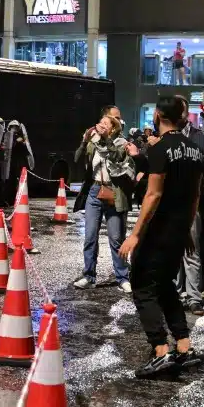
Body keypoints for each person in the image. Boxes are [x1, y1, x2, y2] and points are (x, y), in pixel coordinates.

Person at [120, 95, 204, 378]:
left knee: (142, 285)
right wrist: (188, 230)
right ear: (182, 117)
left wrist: (135, 235)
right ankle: (183, 345)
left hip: (159, 229)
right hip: (180, 229)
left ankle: (160, 350)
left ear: (157, 115)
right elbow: (195, 195)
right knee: (166, 284)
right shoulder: (195, 150)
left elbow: (153, 195)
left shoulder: (160, 149)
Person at [71, 107, 137, 293]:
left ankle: (122, 277)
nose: (100, 126)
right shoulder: (93, 142)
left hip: (113, 192)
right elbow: (76, 158)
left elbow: (115, 156)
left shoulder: (121, 143)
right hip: (94, 191)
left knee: (116, 239)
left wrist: (106, 139)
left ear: (113, 128)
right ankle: (88, 276)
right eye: (100, 123)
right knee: (90, 236)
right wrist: (85, 141)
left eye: (105, 124)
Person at [178, 102, 204, 312]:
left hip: (192, 202)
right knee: (172, 252)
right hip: (169, 204)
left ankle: (194, 296)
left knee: (192, 251)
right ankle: (176, 294)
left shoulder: (199, 138)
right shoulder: (164, 137)